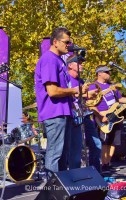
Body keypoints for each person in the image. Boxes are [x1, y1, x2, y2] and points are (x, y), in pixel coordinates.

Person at [34, 27, 79, 174]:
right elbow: (52, 91)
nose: (69, 45)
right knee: (55, 154)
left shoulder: (59, 60)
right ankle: (51, 190)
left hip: (63, 113)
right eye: (66, 42)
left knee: (63, 155)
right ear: (55, 42)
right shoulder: (49, 59)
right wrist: (74, 90)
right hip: (54, 114)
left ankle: (62, 189)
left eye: (70, 42)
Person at [88, 65, 126, 172]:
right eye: (106, 72)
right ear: (99, 73)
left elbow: (120, 99)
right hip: (102, 117)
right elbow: (91, 103)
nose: (109, 74)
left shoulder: (112, 87)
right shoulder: (93, 86)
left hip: (115, 116)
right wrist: (100, 115)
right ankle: (102, 163)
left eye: (109, 72)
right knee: (104, 141)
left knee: (114, 141)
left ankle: (108, 163)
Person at [66, 55, 102, 172]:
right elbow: (69, 95)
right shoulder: (66, 78)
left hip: (85, 115)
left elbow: (82, 98)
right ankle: (75, 176)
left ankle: (96, 174)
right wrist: (85, 94)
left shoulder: (80, 80)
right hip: (73, 116)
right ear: (70, 65)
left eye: (82, 63)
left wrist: (90, 96)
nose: (82, 65)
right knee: (76, 149)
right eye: (79, 63)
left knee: (96, 144)